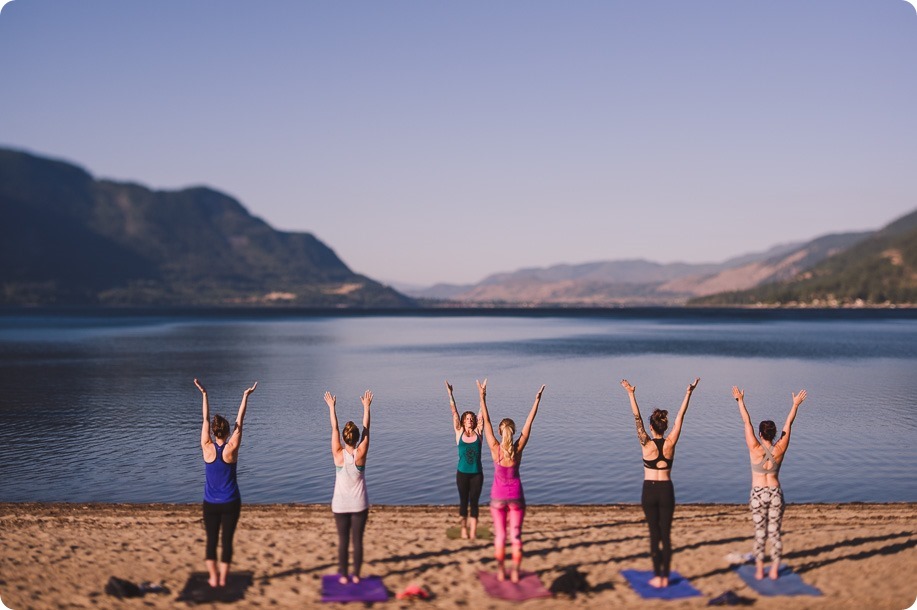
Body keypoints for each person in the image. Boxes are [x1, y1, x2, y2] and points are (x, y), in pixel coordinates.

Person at [621, 377, 699, 588]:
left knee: (654, 534)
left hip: (649, 491)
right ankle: (665, 576)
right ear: (664, 426)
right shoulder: (671, 441)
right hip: (667, 490)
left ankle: (658, 576)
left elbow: (636, 417)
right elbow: (681, 416)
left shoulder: (646, 444)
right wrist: (688, 393)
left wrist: (631, 393)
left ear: (651, 427)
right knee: (666, 533)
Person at [732, 385, 807, 580]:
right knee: (774, 533)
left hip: (757, 492)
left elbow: (746, 422)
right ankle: (773, 570)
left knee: (760, 533)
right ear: (773, 434)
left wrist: (740, 401)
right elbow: (788, 425)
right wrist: (795, 405)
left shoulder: (754, 447)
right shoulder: (780, 448)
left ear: (760, 433)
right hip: (774, 492)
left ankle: (759, 570)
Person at [478, 378, 545, 583]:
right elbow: (529, 422)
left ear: (500, 431)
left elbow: (486, 422)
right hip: (516, 496)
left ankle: (500, 571)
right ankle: (515, 572)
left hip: (497, 498)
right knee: (515, 536)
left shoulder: (495, 448)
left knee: (500, 536)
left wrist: (482, 396)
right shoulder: (517, 449)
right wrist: (537, 400)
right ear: (513, 431)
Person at [195, 378, 257, 588]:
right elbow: (241, 421)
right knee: (227, 541)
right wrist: (244, 396)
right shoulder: (232, 448)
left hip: (210, 503)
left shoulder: (206, 446)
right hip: (231, 501)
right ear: (227, 431)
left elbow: (204, 419)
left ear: (213, 432)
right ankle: (222, 578)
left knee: (211, 541)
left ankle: (213, 578)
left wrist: (204, 394)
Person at [326, 389, 373, 585]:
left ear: (345, 439)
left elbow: (334, 429)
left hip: (340, 505)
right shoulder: (360, 454)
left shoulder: (338, 454)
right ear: (356, 439)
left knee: (343, 542)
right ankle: (355, 576)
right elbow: (367, 430)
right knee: (357, 541)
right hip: (359, 505)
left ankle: (344, 576)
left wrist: (332, 407)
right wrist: (367, 407)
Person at [446, 380, 484, 539]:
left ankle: (473, 532)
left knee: (474, 503)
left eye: (471, 418)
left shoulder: (479, 432)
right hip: (462, 473)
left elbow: (483, 413)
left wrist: (482, 395)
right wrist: (450, 394)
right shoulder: (459, 432)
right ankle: (463, 530)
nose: (469, 419)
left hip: (477, 474)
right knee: (463, 502)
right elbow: (454, 412)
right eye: (467, 418)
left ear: (475, 421)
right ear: (463, 421)